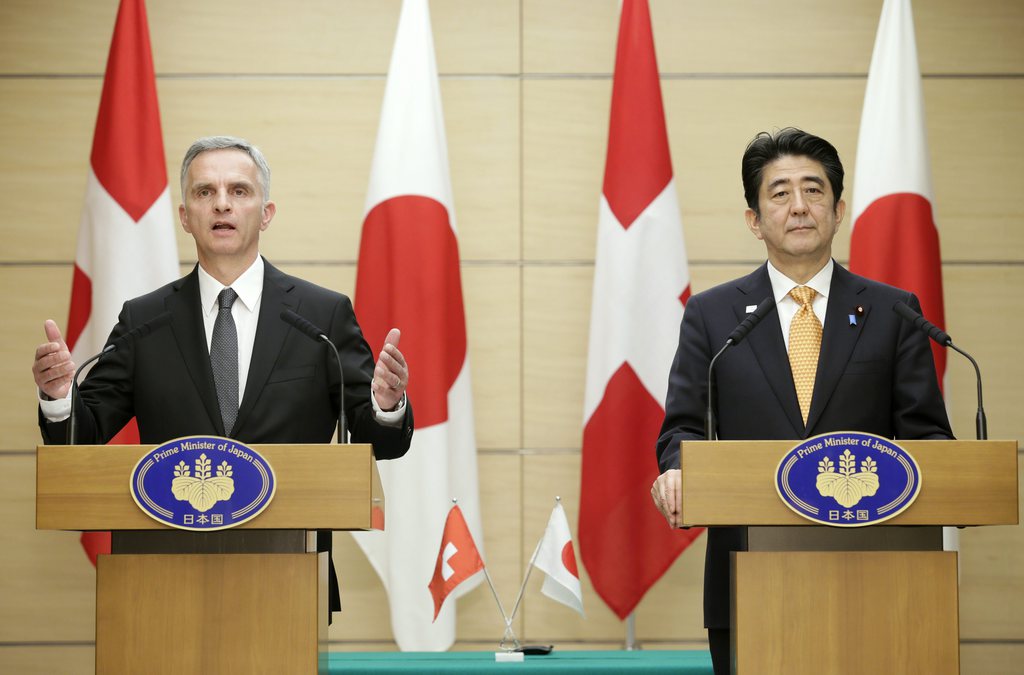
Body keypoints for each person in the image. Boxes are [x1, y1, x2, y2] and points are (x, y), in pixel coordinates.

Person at [31, 135, 414, 617]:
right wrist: (61, 397)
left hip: (288, 579)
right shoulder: (145, 321)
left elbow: (377, 437)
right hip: (163, 580)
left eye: (239, 191)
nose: (222, 205)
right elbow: (80, 439)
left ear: (267, 212)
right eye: (204, 192)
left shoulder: (322, 316)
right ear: (185, 215)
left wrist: (385, 405)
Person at [649, 128, 952, 675]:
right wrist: (676, 470)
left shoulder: (893, 312)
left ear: (838, 211)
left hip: (879, 580)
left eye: (813, 191)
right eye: (780, 193)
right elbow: (683, 431)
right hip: (748, 577)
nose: (798, 207)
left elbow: (929, 438)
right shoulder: (712, 316)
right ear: (754, 219)